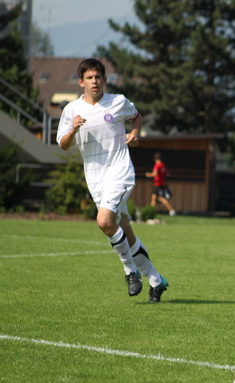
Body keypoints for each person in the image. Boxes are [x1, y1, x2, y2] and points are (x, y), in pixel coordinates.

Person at [57, 58, 168, 303]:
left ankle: (130, 272)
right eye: (89, 78)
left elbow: (137, 117)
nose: (94, 81)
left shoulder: (118, 102)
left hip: (120, 172)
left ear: (104, 80)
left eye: (98, 77)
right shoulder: (71, 110)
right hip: (95, 179)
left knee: (104, 221)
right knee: (125, 232)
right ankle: (156, 280)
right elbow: (63, 145)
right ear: (81, 82)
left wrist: (135, 134)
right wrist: (73, 130)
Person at [145, 152, 176, 216]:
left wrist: (148, 174)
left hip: (157, 184)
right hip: (161, 184)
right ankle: (151, 211)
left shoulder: (157, 165)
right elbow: (167, 174)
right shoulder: (163, 165)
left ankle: (171, 210)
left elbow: (155, 174)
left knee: (160, 198)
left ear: (155, 159)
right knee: (153, 198)